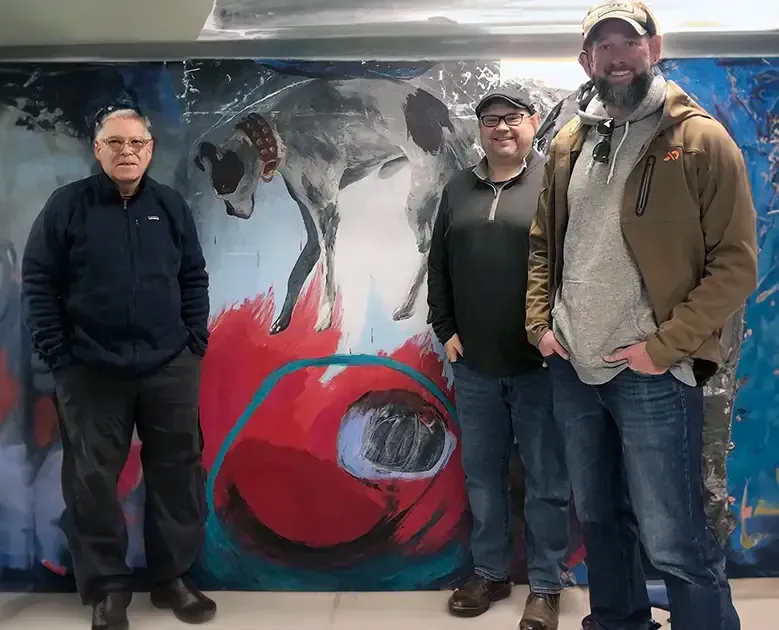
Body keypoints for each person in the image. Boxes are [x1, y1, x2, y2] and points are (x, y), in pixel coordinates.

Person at [525, 2, 758, 630]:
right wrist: (540, 325)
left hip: (654, 372)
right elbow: (546, 243)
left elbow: (736, 266)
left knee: (675, 538)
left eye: (629, 42)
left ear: (653, 49)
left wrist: (665, 346)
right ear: (586, 61)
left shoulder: (700, 139)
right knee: (601, 523)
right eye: (602, 47)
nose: (617, 56)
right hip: (575, 365)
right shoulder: (571, 141)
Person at [21, 105, 216, 630]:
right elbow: (38, 282)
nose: (126, 151)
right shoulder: (68, 207)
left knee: (176, 476)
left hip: (169, 366)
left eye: (136, 143)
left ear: (150, 150)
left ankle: (171, 578)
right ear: (97, 148)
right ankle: (107, 588)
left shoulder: (170, 207)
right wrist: (60, 355)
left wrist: (193, 343)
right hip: (89, 370)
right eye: (115, 142)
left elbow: (194, 277)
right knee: (91, 483)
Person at [427, 87, 571, 630]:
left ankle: (546, 585)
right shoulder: (457, 189)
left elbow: (573, 265)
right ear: (479, 128)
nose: (502, 128)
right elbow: (437, 265)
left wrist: (559, 336)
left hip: (541, 367)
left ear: (533, 123)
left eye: (513, 118)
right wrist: (446, 330)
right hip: (476, 368)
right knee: (483, 478)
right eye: (491, 120)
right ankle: (488, 572)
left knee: (547, 481)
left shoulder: (553, 186)